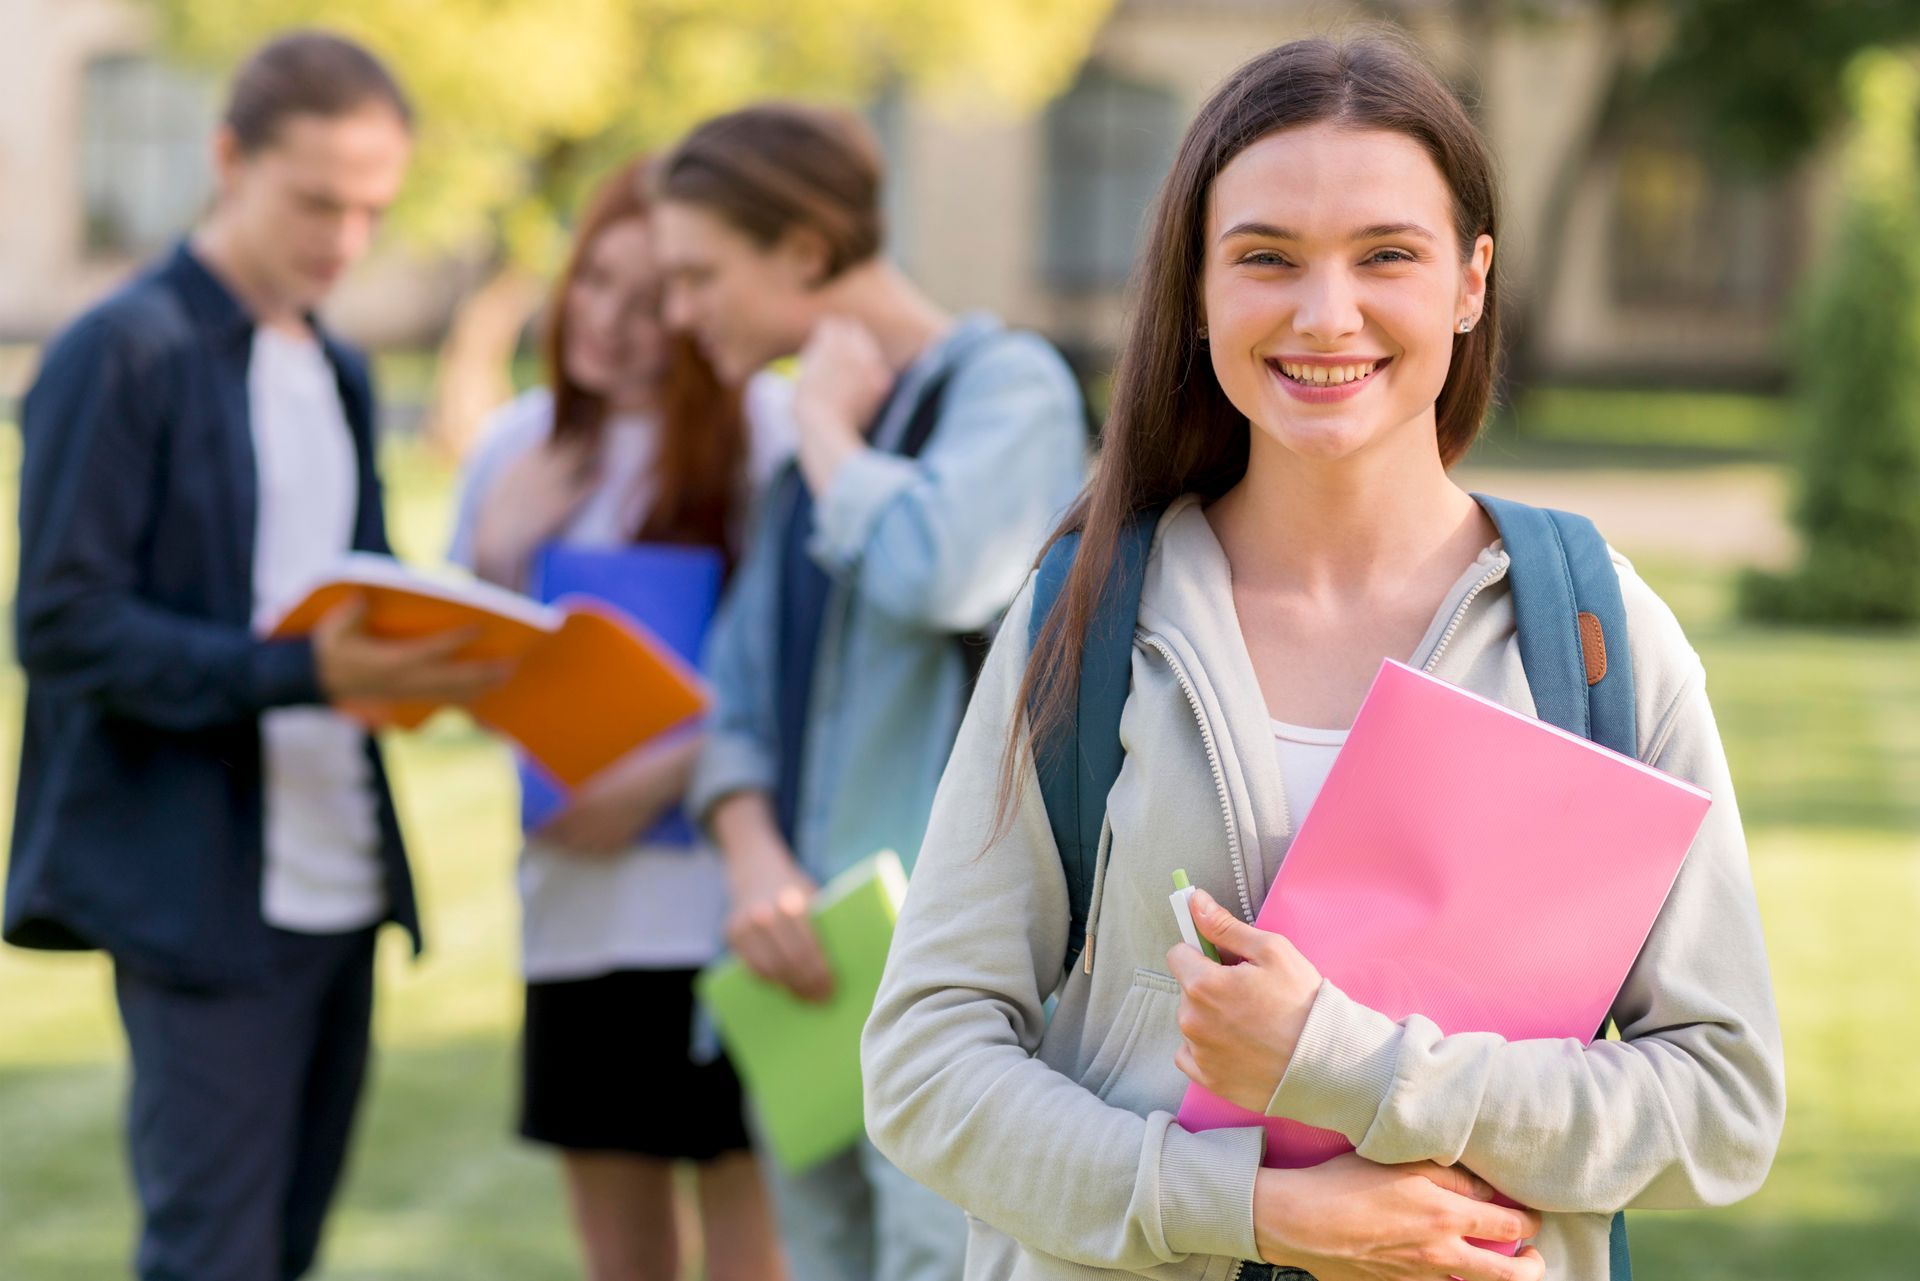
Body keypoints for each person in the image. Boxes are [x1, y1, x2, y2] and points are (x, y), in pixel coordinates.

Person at [861, 37, 1785, 1281]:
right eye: (1267, 258)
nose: (1326, 314)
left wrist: (1347, 1066)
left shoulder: (1595, 634)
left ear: (1471, 283)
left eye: (1387, 254)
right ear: (1198, 290)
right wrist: (1249, 1210)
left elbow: (1722, 1106)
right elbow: (925, 1064)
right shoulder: (1087, 615)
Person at [4, 29, 507, 1281]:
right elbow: (60, 620)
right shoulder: (121, 349)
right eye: (317, 203)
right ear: (228, 160)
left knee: (284, 1251)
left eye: (373, 210)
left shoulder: (339, 366)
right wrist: (304, 675)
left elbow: (360, 589)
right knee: (212, 1257)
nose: (346, 240)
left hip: (340, 881)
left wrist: (445, 652)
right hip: (196, 892)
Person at [650, 104, 1090, 1281]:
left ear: (803, 251)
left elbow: (946, 571)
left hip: (955, 984)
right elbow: (733, 702)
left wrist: (825, 434)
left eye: (698, 276)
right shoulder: (812, 452)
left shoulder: (1007, 387)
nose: (679, 313)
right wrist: (753, 859)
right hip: (801, 973)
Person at [447, 157, 790, 1281]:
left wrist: (663, 773)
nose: (611, 321)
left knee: (757, 1254)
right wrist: (499, 548)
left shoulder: (768, 436)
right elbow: (464, 686)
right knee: (621, 1260)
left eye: (651, 299)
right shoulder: (515, 446)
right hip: (578, 910)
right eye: (594, 282)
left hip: (732, 911)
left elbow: (801, 676)